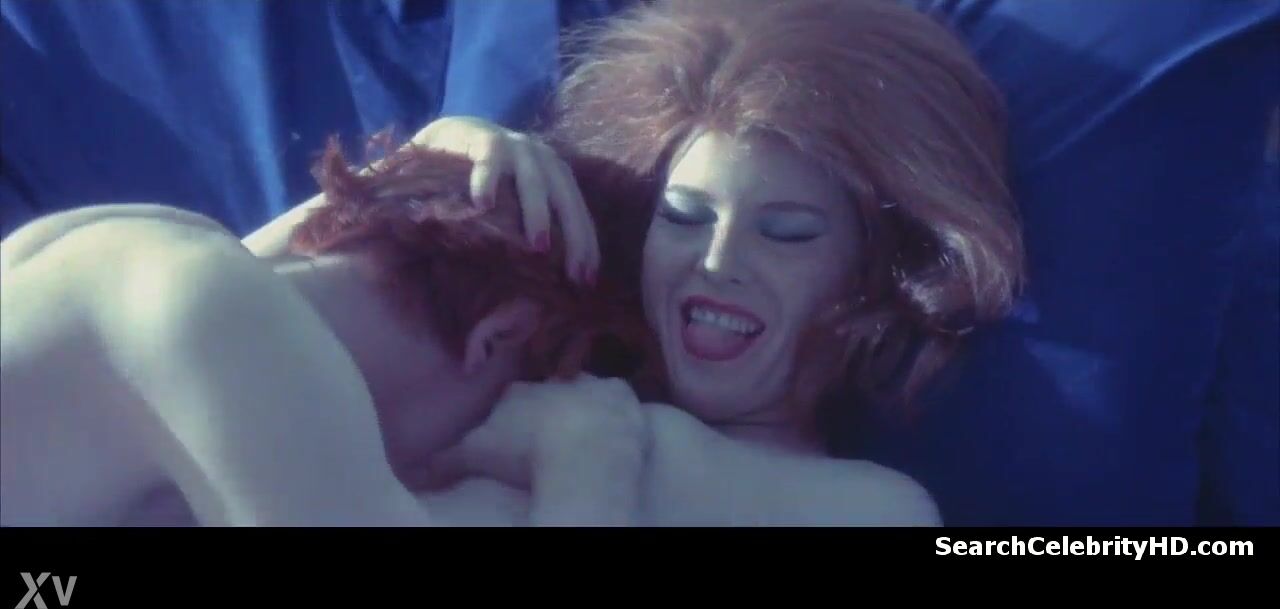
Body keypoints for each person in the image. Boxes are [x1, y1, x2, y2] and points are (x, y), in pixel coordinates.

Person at [282, 0, 1025, 523]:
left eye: (787, 233)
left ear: (868, 275)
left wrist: (585, 467)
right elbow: (240, 339)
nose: (717, 261)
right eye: (684, 217)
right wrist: (397, 181)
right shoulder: (499, 375)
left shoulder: (871, 508)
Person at [0, 139, 656, 527]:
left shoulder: (129, 240)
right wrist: (587, 466)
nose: (432, 467)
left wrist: (426, 164)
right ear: (498, 337)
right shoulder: (241, 337)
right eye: (506, 409)